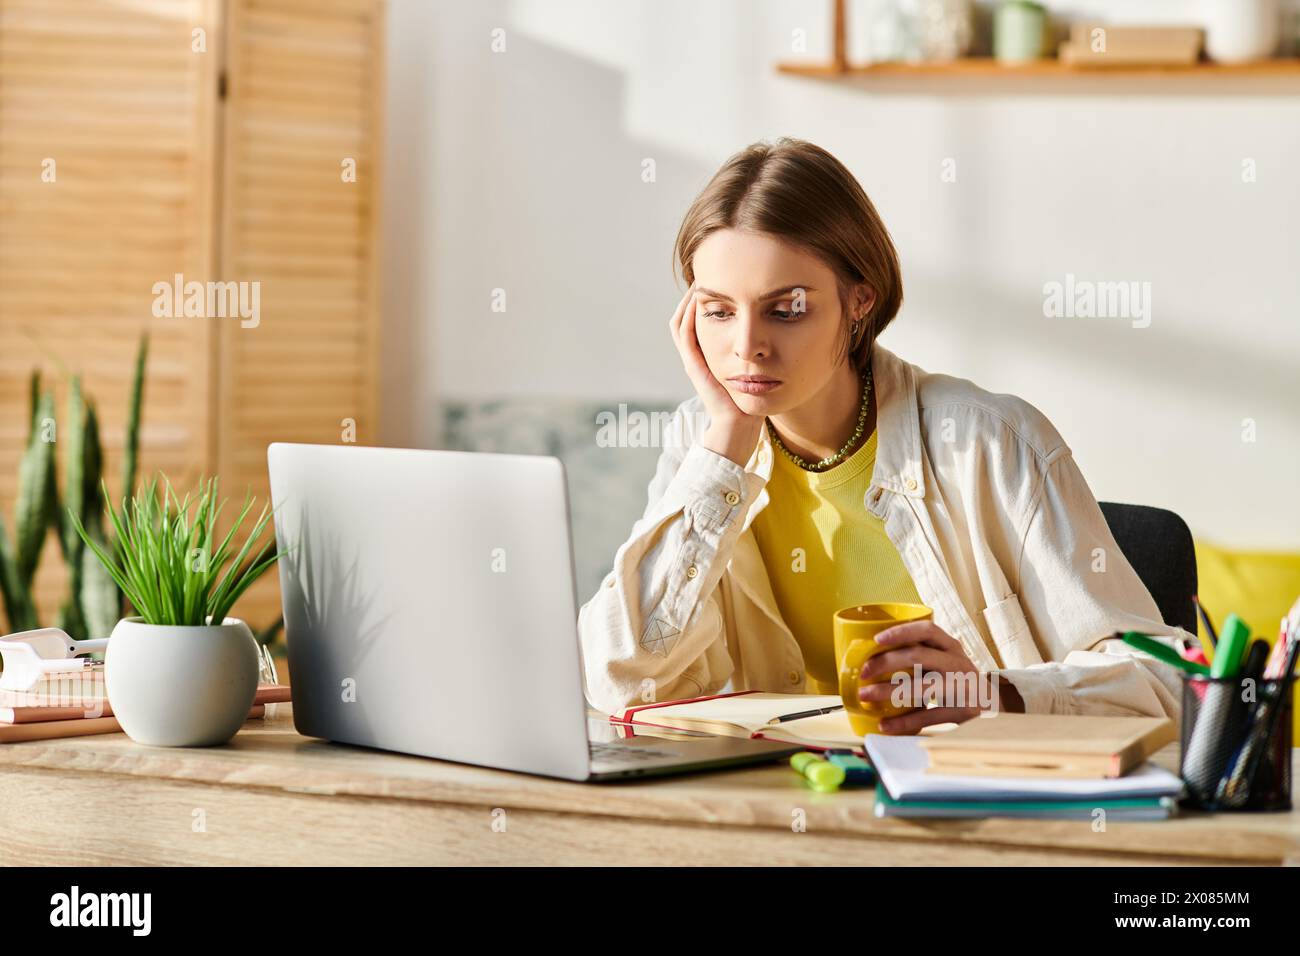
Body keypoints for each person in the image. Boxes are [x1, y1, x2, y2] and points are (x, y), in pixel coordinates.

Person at [578, 137, 1187, 730]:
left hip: (968, 812)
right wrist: (727, 444)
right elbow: (621, 680)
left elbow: (1168, 687)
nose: (746, 347)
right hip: (776, 808)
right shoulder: (704, 442)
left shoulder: (988, 442)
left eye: (785, 309)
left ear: (859, 299)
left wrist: (994, 693)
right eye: (717, 310)